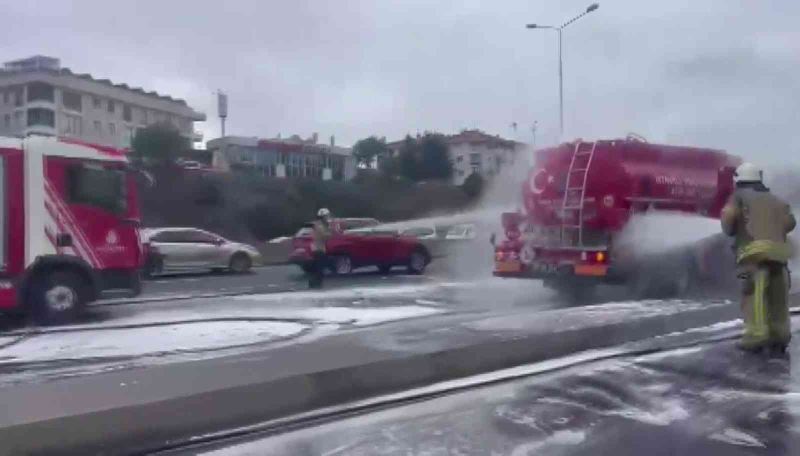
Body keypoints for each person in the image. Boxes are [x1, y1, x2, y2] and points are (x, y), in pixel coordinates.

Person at [721, 163, 796, 353]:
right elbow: (790, 223)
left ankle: (756, 336)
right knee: (778, 297)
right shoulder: (775, 199)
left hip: (753, 255)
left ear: (739, 179)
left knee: (754, 295)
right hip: (779, 254)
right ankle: (780, 336)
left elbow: (728, 223)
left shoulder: (738, 198)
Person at [308, 208, 332, 289]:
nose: (328, 217)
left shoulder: (318, 224)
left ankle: (315, 284)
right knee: (319, 268)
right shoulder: (320, 225)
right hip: (318, 249)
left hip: (318, 248)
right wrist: (330, 229)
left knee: (318, 268)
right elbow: (325, 236)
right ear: (323, 217)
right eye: (327, 216)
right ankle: (316, 285)